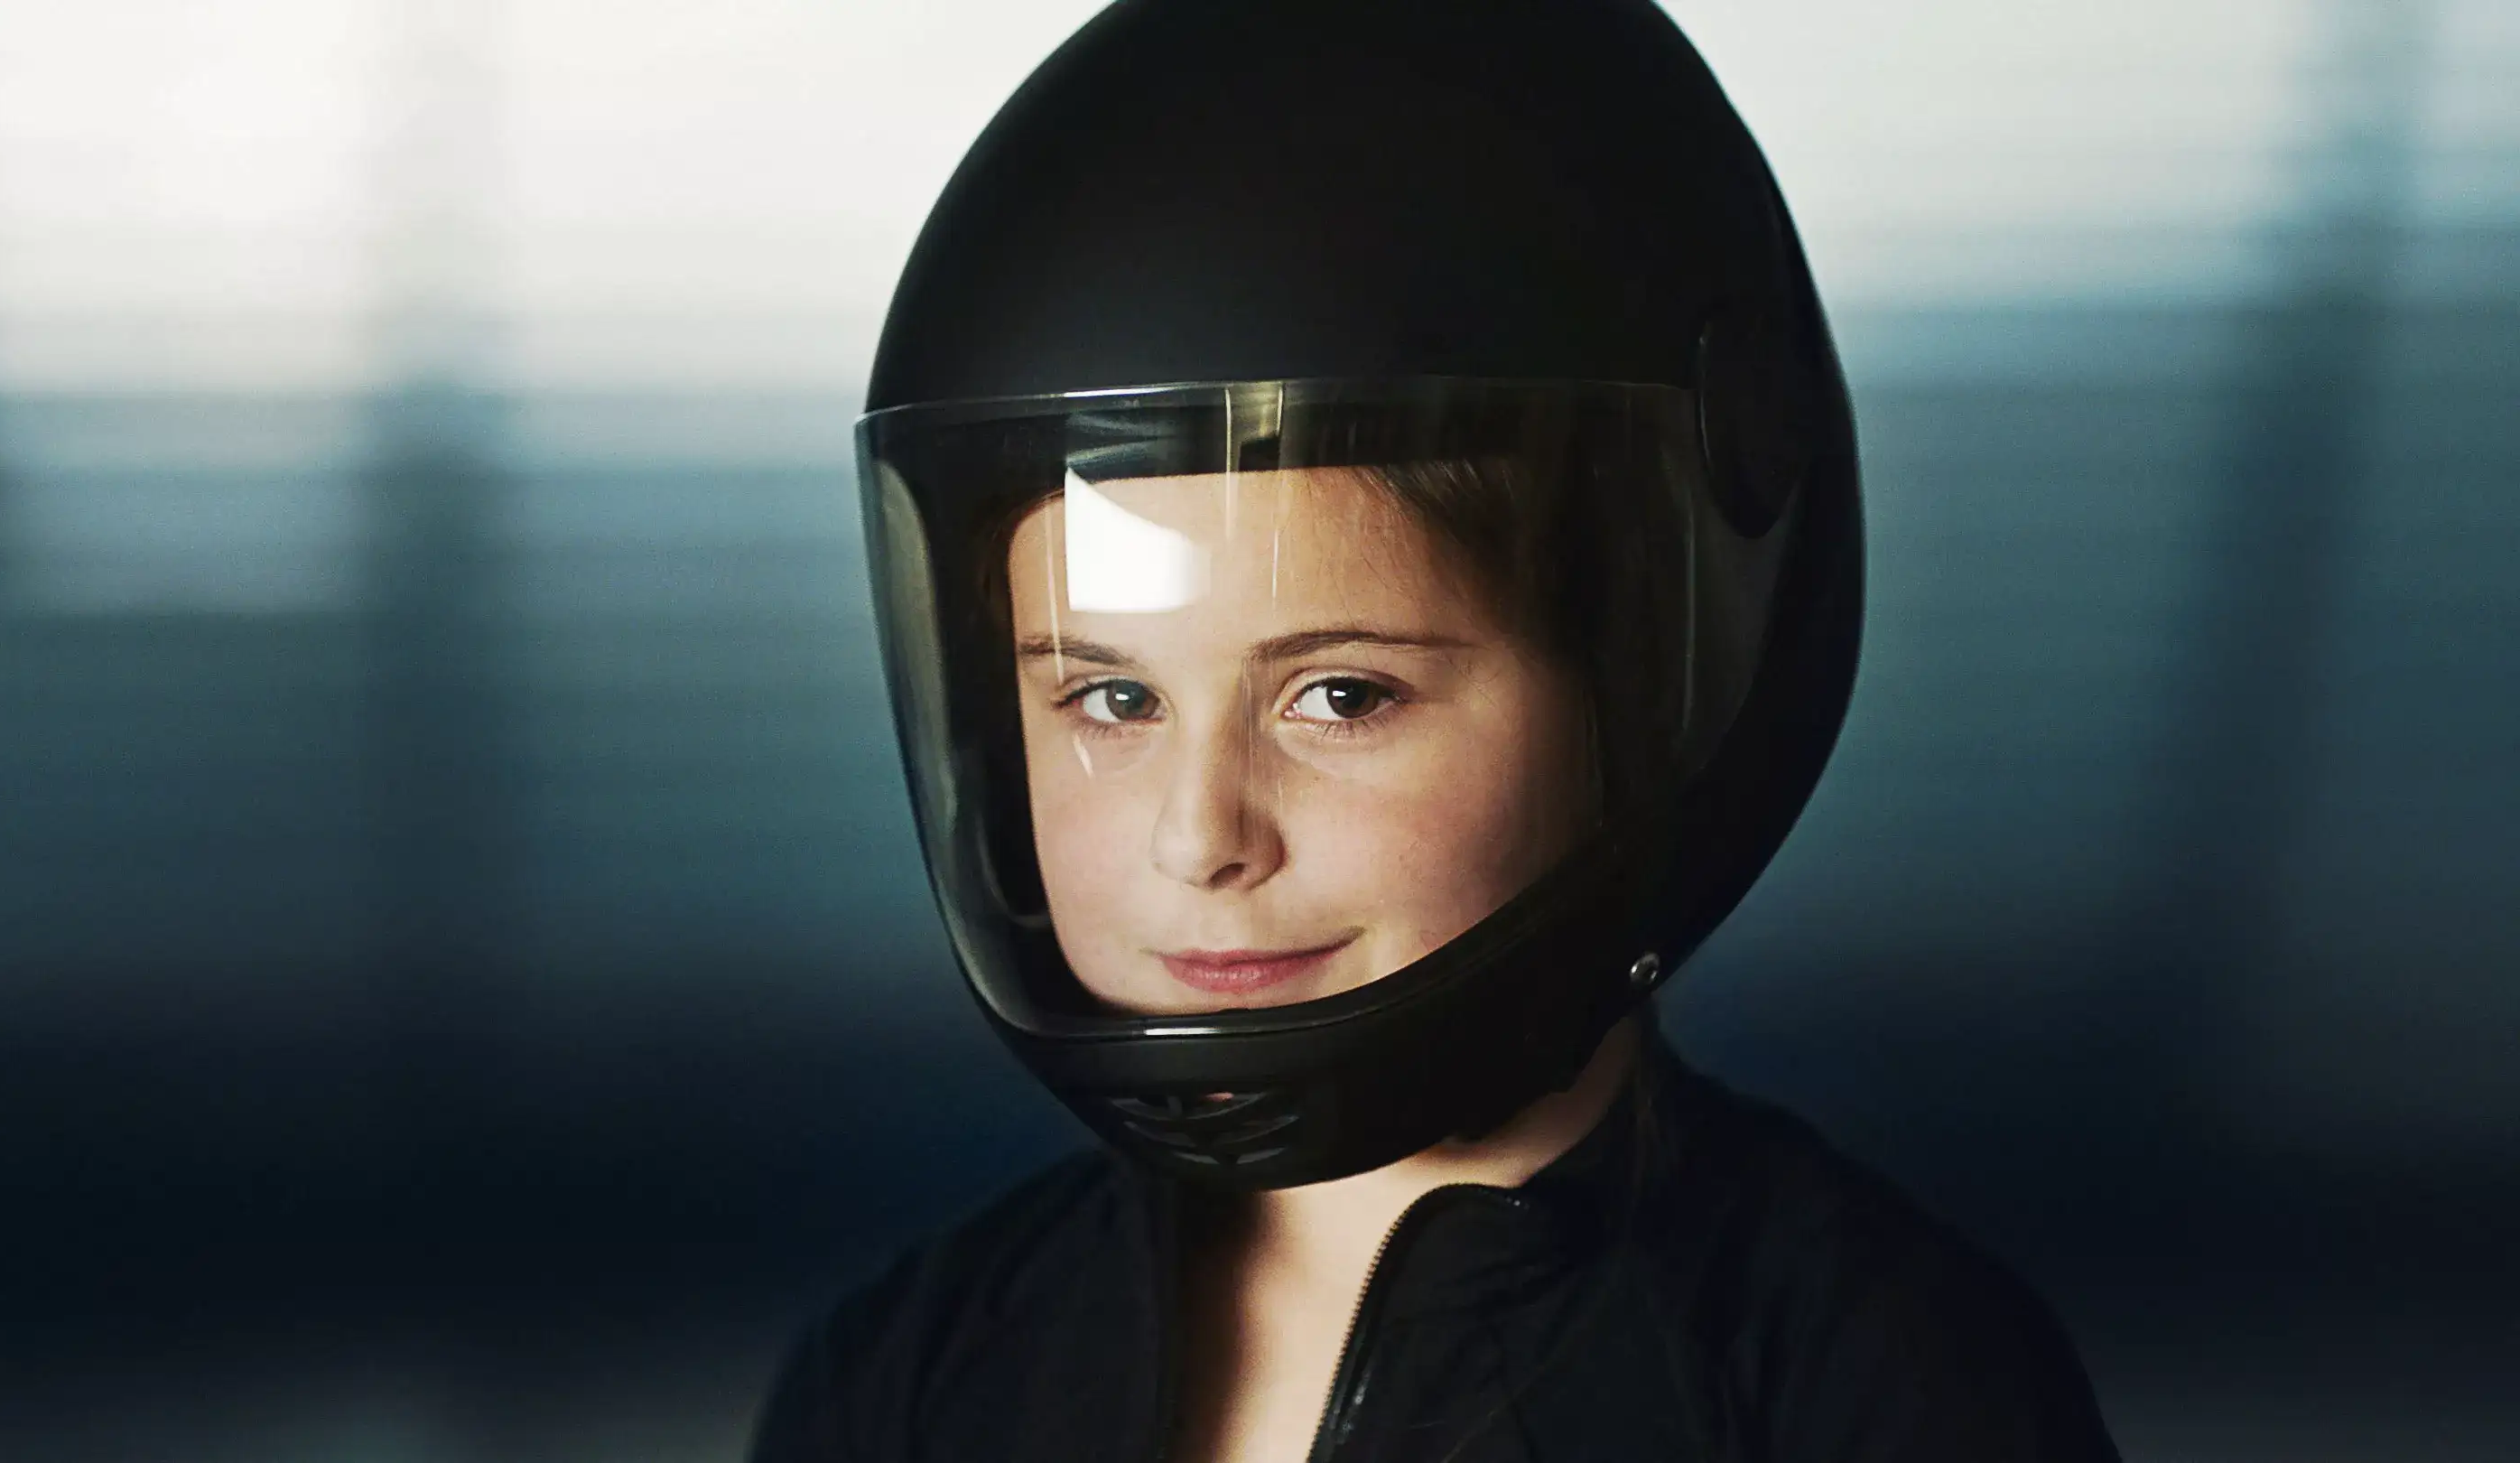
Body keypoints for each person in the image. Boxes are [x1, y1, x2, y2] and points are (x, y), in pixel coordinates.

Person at [757, 1, 2121, 1459]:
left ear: (1637, 691)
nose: (1201, 835)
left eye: (1341, 696)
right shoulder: (910, 1373)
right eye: (1113, 696)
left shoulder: (1868, 1379)